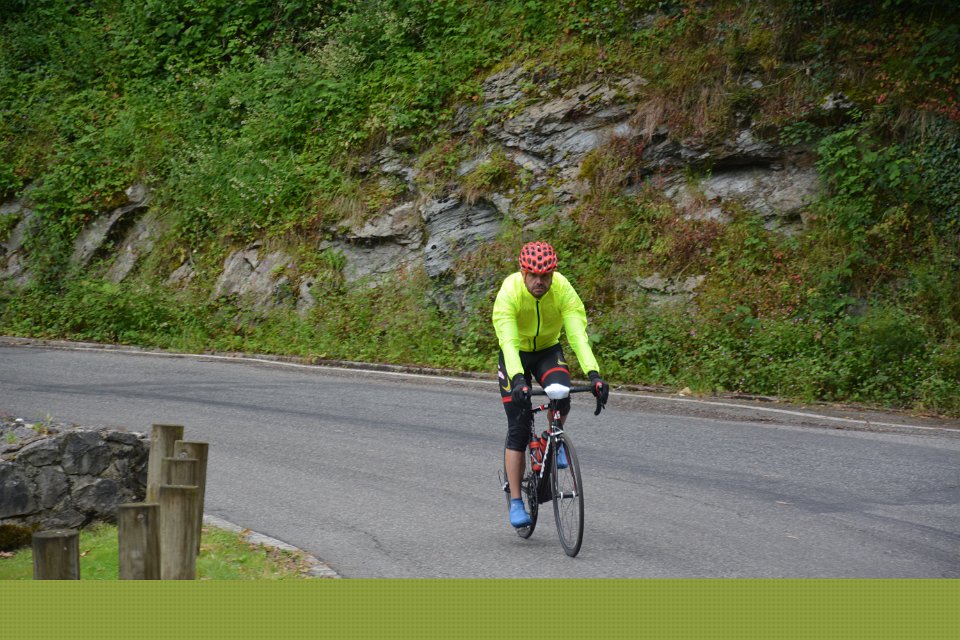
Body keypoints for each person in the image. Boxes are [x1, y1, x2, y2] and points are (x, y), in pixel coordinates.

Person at [492, 240, 609, 528]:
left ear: (553, 273)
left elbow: (577, 336)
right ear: (523, 272)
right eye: (533, 275)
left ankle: (552, 438)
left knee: (562, 395)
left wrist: (594, 375)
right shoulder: (509, 292)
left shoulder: (563, 290)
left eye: (545, 275)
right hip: (515, 354)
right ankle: (516, 501)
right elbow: (509, 341)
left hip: (547, 350)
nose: (540, 281)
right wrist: (518, 380)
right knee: (518, 429)